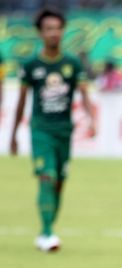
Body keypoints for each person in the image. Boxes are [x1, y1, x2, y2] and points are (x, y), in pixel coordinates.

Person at [9, 9, 96, 252]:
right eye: (48, 29)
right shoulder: (31, 65)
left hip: (64, 131)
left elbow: (84, 94)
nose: (53, 33)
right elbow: (21, 102)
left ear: (62, 31)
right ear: (40, 33)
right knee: (47, 177)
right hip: (41, 130)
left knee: (59, 182)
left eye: (57, 28)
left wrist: (91, 119)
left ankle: (46, 230)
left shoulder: (72, 63)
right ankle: (47, 232)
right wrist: (13, 135)